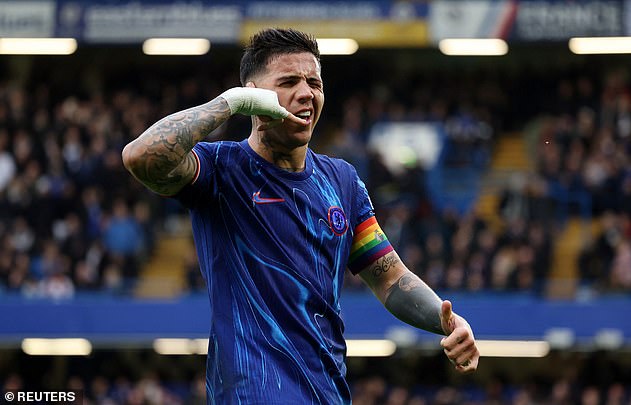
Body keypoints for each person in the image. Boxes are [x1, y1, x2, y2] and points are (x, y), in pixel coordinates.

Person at [122, 28, 479, 404]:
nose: (306, 93)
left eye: (314, 83)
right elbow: (140, 157)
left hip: (328, 393)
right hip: (251, 394)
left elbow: (390, 278)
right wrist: (229, 103)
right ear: (254, 93)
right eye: (289, 82)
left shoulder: (342, 181)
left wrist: (447, 320)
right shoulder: (220, 169)